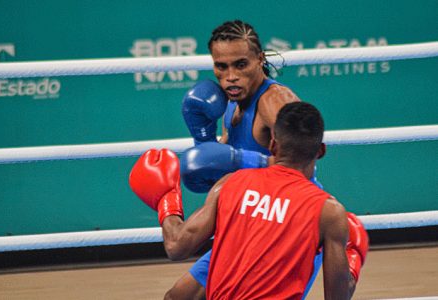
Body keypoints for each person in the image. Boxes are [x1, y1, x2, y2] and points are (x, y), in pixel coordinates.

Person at [129, 102, 368, 299]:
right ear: (321, 151)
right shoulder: (328, 212)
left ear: (273, 144)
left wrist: (167, 201)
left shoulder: (230, 183)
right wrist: (354, 261)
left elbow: (176, 247)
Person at [171, 20, 322, 299]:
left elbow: (304, 162)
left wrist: (242, 159)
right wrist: (205, 142)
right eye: (221, 66)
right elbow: (227, 161)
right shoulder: (231, 101)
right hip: (251, 222)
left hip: (289, 226)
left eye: (240, 65)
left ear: (259, 60)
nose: (230, 76)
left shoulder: (275, 101)